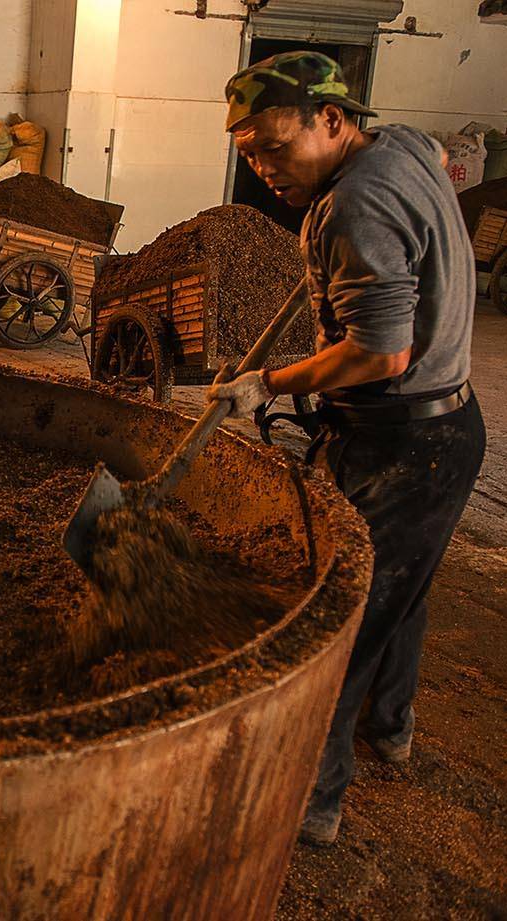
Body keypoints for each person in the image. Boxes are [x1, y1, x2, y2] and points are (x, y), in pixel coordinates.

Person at [209, 51, 485, 846]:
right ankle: (390, 726)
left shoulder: (354, 208)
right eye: (249, 155)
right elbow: (428, 166)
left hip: (398, 440)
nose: (263, 168)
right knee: (401, 589)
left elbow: (380, 351)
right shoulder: (400, 147)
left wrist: (270, 380)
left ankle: (314, 799)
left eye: (274, 147)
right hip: (448, 430)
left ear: (332, 121)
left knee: (337, 623)